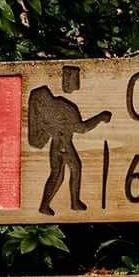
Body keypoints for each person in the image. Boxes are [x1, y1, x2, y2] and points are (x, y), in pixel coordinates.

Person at [27, 64, 112, 214]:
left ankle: (57, 204)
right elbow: (82, 128)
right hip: (62, 145)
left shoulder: (50, 110)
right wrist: (100, 117)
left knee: (61, 173)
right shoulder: (63, 107)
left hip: (57, 145)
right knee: (67, 171)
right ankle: (65, 203)